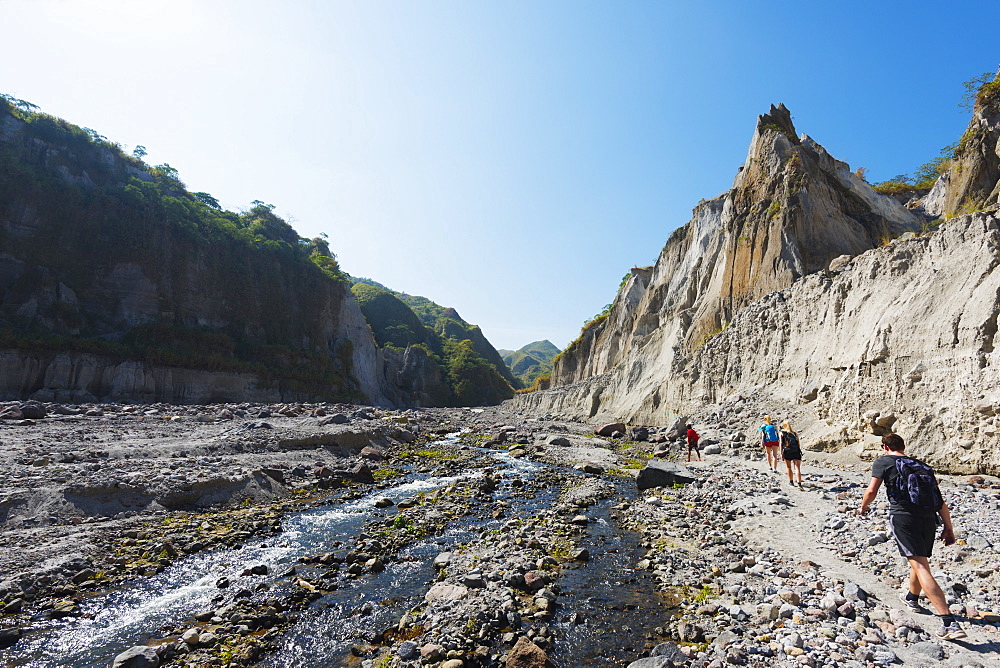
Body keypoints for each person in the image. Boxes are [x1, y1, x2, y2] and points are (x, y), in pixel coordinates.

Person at [860, 433, 966, 641]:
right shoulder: (920, 465)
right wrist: (949, 528)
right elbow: (940, 501)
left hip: (904, 517)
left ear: (885, 447)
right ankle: (912, 598)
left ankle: (949, 622)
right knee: (918, 559)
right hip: (929, 518)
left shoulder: (883, 461)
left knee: (919, 565)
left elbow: (872, 490)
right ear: (904, 445)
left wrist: (863, 506)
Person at [779, 420, 803, 486]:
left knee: (789, 467)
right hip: (796, 451)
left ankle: (791, 482)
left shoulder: (782, 433)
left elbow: (781, 444)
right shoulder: (795, 434)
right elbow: (798, 444)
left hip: (787, 451)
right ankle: (799, 484)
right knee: (797, 468)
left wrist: (781, 453)